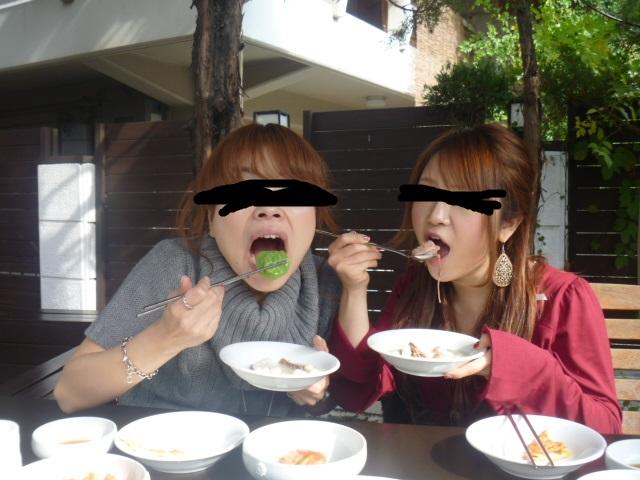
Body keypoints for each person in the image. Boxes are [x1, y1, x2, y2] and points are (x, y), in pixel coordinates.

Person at [327, 123, 622, 434]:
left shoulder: (562, 298)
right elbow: (361, 384)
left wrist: (519, 366)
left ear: (508, 224)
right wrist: (354, 289)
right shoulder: (415, 287)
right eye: (427, 192)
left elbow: (605, 428)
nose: (436, 215)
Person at [54, 123, 341, 416]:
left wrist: (315, 391)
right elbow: (70, 392)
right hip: (163, 438)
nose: (269, 208)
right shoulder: (174, 264)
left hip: (273, 443)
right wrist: (165, 337)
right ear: (212, 220)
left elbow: (331, 400)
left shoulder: (322, 282)